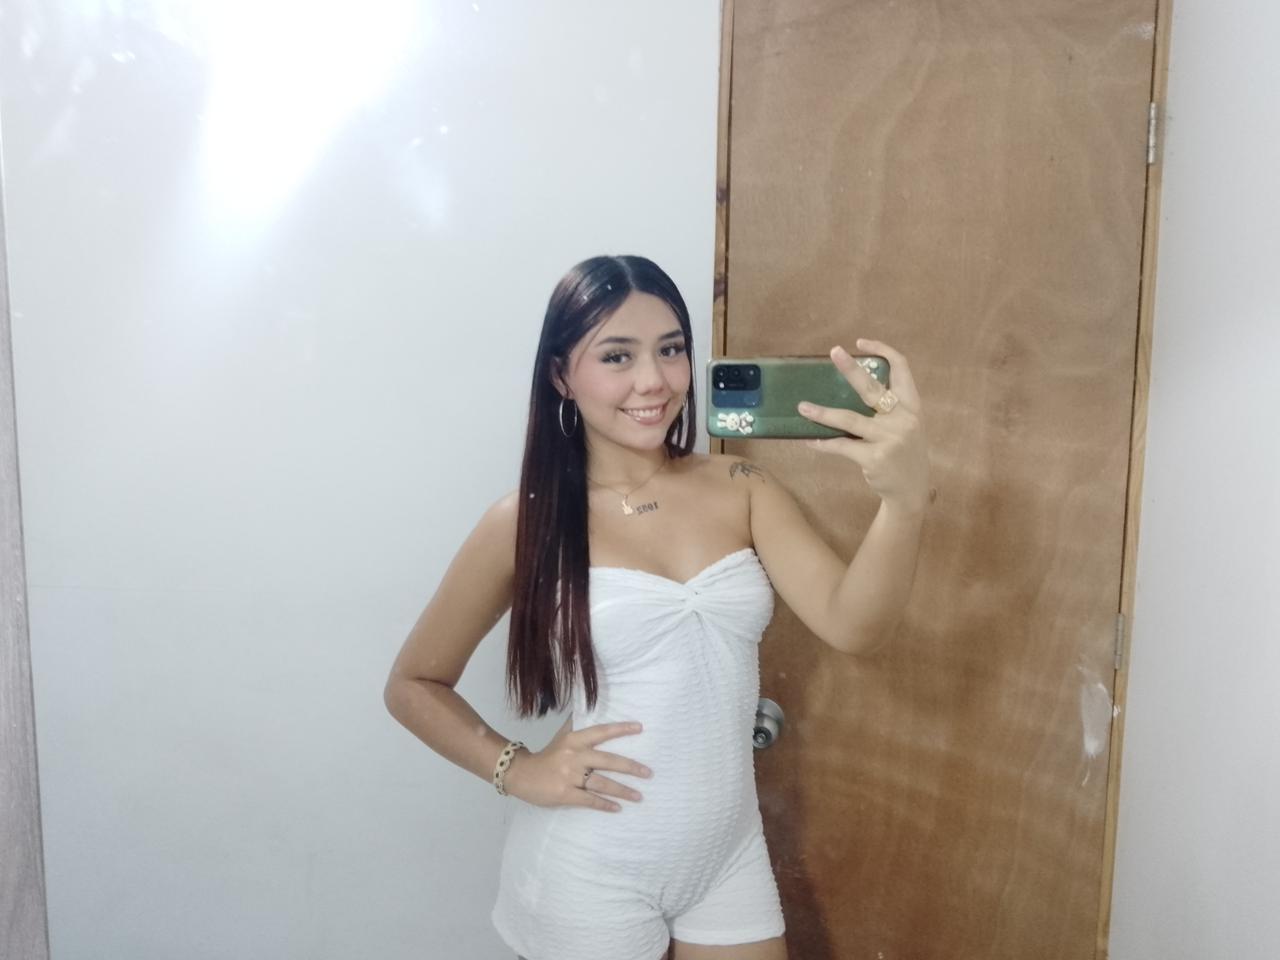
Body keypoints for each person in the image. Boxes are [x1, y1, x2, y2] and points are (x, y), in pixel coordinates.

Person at [383, 254, 930, 960]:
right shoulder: (525, 521)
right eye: (618, 356)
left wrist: (904, 502)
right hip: (592, 864)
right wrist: (517, 769)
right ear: (561, 375)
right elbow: (412, 684)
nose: (654, 381)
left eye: (671, 350)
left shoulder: (742, 484)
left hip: (727, 855)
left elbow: (854, 626)